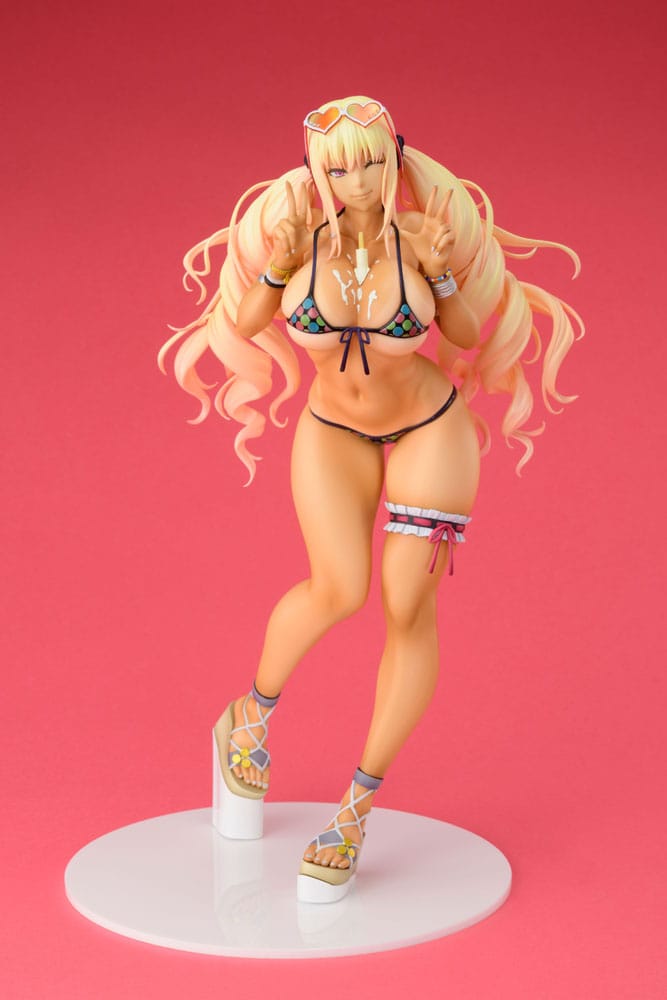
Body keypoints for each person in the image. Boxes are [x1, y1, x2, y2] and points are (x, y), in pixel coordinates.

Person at [159, 97, 582, 903]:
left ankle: (355, 808)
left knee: (406, 607)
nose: (358, 181)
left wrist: (441, 267)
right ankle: (247, 716)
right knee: (337, 589)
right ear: (317, 172)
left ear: (395, 159)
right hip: (332, 429)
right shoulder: (301, 242)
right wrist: (277, 265)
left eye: (373, 161)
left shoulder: (417, 239)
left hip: (428, 427)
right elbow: (245, 321)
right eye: (340, 167)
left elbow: (464, 333)